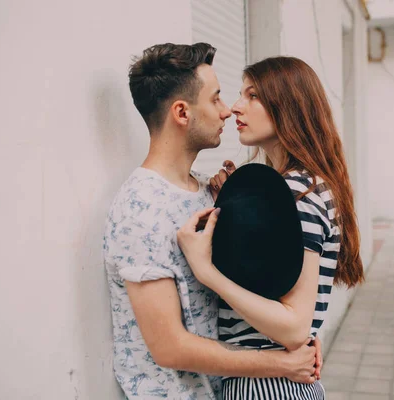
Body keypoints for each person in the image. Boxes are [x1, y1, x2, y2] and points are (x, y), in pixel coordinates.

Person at [103, 43, 320, 400]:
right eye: (216, 99)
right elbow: (169, 348)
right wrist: (282, 364)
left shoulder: (209, 190)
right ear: (182, 113)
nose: (226, 111)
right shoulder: (140, 211)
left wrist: (301, 340)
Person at [177, 56, 365, 399]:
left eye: (253, 96)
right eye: (239, 95)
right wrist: (240, 209)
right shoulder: (298, 187)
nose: (236, 107)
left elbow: (294, 327)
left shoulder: (297, 192)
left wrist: (206, 271)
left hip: (266, 388)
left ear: (289, 107)